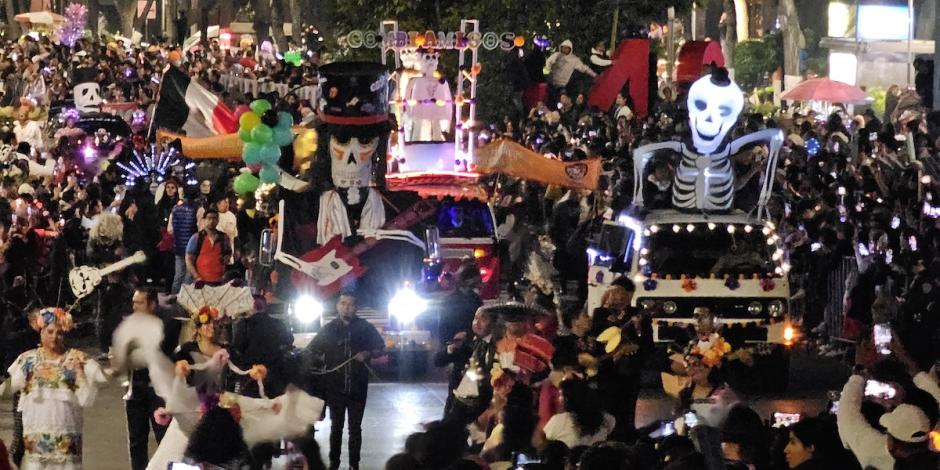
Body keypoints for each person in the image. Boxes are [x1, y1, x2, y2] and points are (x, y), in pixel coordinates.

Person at [6, 308, 105, 469]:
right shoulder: (27, 360)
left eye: (59, 333)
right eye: (50, 332)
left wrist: (80, 374)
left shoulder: (77, 358)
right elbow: (7, 388)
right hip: (35, 446)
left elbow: (90, 395)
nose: (54, 337)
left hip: (66, 445)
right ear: (41, 332)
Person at [306, 292, 385, 470]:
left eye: (350, 304)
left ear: (356, 307)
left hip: (358, 386)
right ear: (337, 306)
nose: (346, 307)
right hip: (335, 387)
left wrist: (367, 353)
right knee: (336, 428)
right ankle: (334, 463)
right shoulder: (328, 329)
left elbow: (380, 348)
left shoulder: (365, 327)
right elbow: (312, 351)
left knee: (355, 429)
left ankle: (354, 465)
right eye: (343, 304)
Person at [124, 287, 180, 470]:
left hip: (158, 390)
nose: (134, 306)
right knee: (136, 440)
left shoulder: (168, 322)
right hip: (136, 388)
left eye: (139, 302)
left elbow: (161, 350)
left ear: (152, 304)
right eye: (134, 302)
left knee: (164, 439)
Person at [440, 306, 498, 427]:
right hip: (460, 402)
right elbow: (438, 361)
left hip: (483, 405)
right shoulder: (469, 342)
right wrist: (451, 349)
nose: (477, 323)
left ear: (494, 322)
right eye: (475, 318)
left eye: (483, 319)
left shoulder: (497, 346)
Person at [537, 378, 616, 449]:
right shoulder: (607, 419)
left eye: (561, 395)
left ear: (568, 399)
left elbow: (541, 442)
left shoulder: (559, 421)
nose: (558, 399)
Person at [185, 209, 232, 285]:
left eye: (214, 218)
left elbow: (229, 252)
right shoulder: (196, 237)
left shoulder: (224, 237)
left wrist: (227, 257)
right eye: (209, 218)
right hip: (201, 281)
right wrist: (196, 276)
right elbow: (188, 259)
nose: (211, 221)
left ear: (217, 220)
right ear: (204, 220)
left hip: (220, 281)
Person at [169, 186, 199, 293]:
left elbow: (170, 229)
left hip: (178, 245)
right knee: (189, 274)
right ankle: (184, 297)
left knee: (178, 274)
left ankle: (174, 296)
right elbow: (200, 228)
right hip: (192, 247)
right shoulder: (196, 208)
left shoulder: (175, 208)